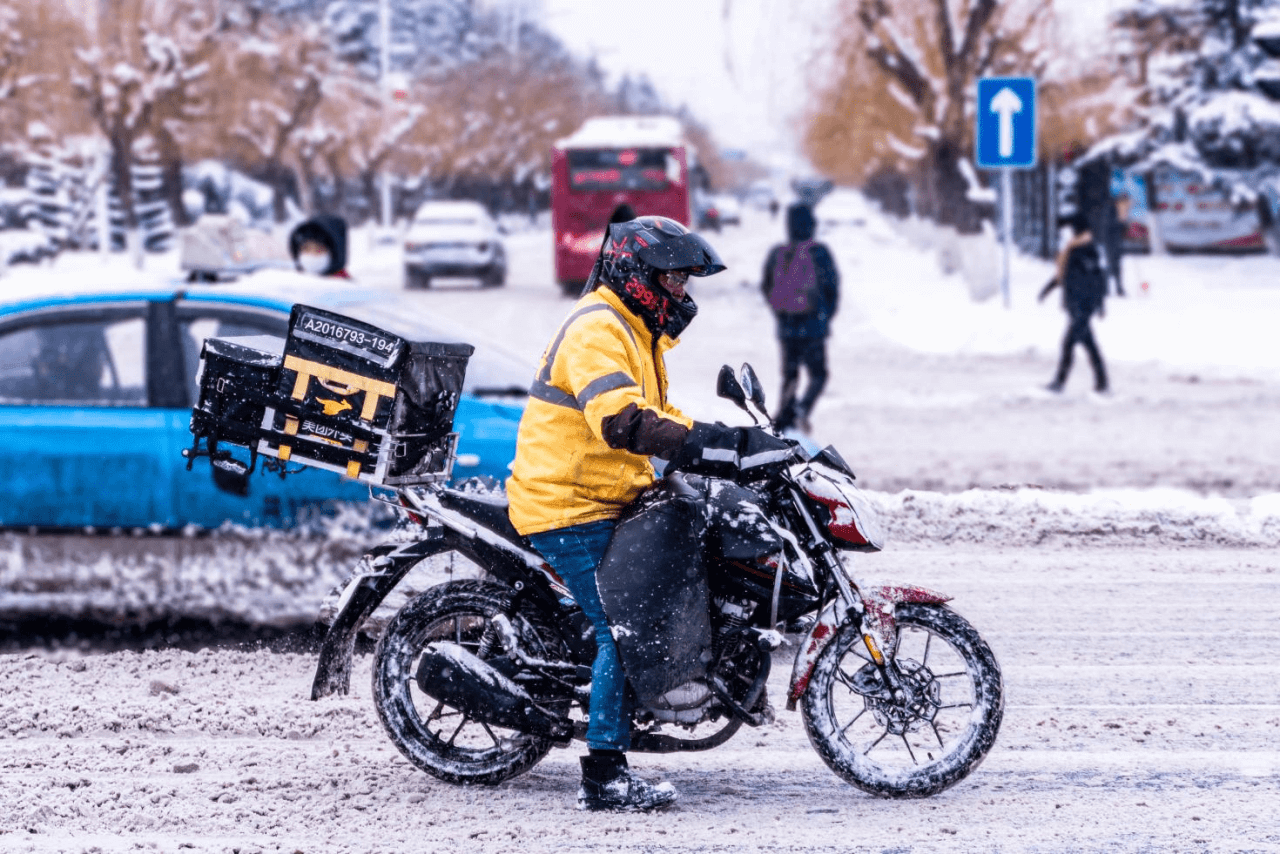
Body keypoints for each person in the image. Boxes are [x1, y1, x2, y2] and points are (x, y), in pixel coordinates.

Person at [506, 215, 790, 812]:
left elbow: (658, 420)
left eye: (688, 280)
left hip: (607, 495)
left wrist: (724, 443)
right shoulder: (597, 328)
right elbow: (622, 421)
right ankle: (604, 776)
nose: (684, 292)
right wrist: (719, 446)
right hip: (569, 505)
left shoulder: (637, 330)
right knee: (623, 628)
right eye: (677, 279)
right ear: (642, 276)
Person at [761, 203, 840, 433]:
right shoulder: (819, 252)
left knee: (790, 374)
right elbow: (832, 288)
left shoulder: (778, 253)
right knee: (819, 374)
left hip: (787, 326)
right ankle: (802, 410)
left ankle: (783, 419)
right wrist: (825, 317)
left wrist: (781, 313)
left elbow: (767, 287)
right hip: (813, 327)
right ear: (812, 225)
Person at [1039, 214, 1110, 394]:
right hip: (1075, 305)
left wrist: (1098, 304)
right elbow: (1065, 276)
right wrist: (1048, 289)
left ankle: (1060, 382)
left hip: (1083, 307)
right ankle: (1102, 382)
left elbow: (1098, 280)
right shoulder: (1073, 248)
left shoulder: (1088, 249)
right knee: (1090, 345)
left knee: (1068, 344)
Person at [288, 214, 350, 278]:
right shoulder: (294, 283)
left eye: (319, 249)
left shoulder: (346, 287)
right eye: (306, 249)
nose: (312, 254)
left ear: (336, 254)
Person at [1102, 193, 1131, 297]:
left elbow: (1123, 227)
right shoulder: (1110, 208)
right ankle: (1105, 289)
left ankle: (1119, 287)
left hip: (1118, 240)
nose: (1128, 205)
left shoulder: (1122, 210)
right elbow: (1107, 224)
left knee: (1118, 264)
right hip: (1108, 240)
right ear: (1120, 202)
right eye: (1126, 203)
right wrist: (1120, 221)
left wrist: (1125, 225)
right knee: (1109, 263)